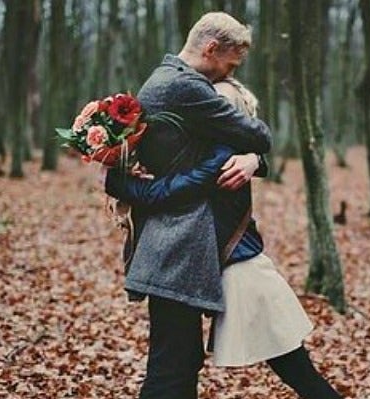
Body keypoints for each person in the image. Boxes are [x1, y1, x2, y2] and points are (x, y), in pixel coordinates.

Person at [105, 76, 343, 398]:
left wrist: (116, 181)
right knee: (180, 366)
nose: (209, 108)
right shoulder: (216, 150)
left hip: (240, 265)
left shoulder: (225, 155)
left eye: (220, 104)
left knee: (296, 368)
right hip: (204, 265)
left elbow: (161, 193)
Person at [109, 12, 271, 399]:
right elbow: (256, 134)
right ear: (211, 48)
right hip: (174, 244)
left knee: (178, 362)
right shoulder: (186, 87)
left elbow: (233, 150)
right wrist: (251, 152)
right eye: (229, 65)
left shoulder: (164, 77)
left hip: (173, 243)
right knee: (171, 366)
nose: (228, 77)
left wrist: (252, 161)